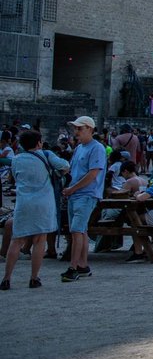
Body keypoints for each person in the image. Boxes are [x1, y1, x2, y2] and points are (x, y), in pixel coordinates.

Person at [2, 130, 68, 290]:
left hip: (24, 202)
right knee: (40, 240)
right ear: (38, 143)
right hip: (44, 202)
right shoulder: (46, 155)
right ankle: (34, 278)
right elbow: (65, 166)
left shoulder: (16, 159)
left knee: (16, 241)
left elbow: (15, 177)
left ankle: (6, 278)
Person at [61, 116, 106, 282]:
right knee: (81, 231)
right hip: (76, 193)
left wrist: (73, 188)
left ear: (90, 129)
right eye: (76, 129)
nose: (76, 132)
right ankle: (82, 265)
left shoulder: (97, 148)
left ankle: (73, 267)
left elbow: (93, 174)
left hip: (86, 194)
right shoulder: (80, 148)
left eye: (80, 129)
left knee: (77, 230)